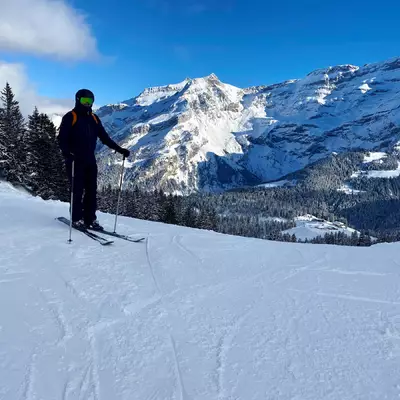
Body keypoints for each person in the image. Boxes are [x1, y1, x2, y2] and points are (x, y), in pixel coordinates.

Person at [58, 89, 130, 230]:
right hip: (74, 161)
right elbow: (62, 139)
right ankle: (77, 219)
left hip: (90, 161)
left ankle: (90, 219)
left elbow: (104, 138)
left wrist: (120, 149)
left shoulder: (94, 119)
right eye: (85, 101)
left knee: (91, 191)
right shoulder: (70, 117)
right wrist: (67, 153)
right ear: (78, 100)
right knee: (77, 191)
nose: (87, 104)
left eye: (90, 101)